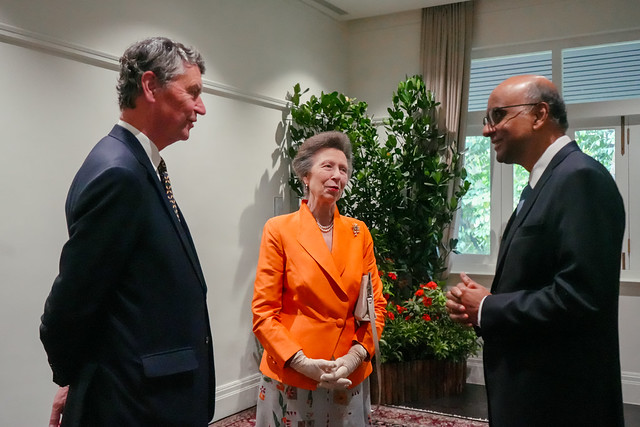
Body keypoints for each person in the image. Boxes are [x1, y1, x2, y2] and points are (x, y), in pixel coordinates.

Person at [40, 37, 215, 426]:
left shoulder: (136, 164)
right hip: (138, 405)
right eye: (192, 93)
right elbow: (69, 306)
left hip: (151, 395)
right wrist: (74, 378)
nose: (201, 107)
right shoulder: (120, 173)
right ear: (150, 86)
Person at [446, 75, 625, 426]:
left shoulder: (580, 177)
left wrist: (488, 306)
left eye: (498, 115)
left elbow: (581, 298)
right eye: (487, 119)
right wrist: (481, 309)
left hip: (561, 403)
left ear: (540, 114)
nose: (487, 130)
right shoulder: (543, 183)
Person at [251, 131, 387, 426]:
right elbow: (264, 313)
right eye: (328, 166)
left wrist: (354, 357)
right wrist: (301, 362)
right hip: (293, 371)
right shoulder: (279, 230)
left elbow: (375, 306)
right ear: (305, 175)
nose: (337, 175)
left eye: (343, 169)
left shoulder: (359, 232)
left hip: (346, 374)